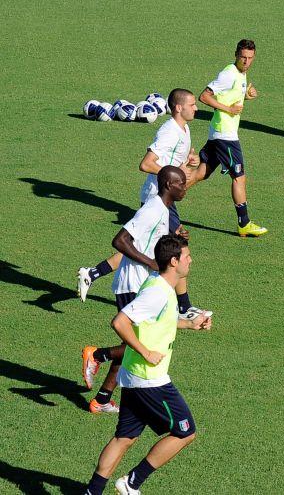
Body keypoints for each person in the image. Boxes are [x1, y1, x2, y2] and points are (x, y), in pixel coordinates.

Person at [84, 234, 212, 495]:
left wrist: (189, 323)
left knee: (124, 438)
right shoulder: (156, 291)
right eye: (187, 257)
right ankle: (132, 483)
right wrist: (145, 351)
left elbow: (158, 320)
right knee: (185, 431)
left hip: (134, 376)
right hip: (149, 380)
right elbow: (120, 322)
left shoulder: (160, 284)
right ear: (174, 261)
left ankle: (91, 493)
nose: (191, 260)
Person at [77, 89, 211, 321]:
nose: (196, 107)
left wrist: (190, 160)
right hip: (157, 198)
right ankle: (184, 307)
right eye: (192, 104)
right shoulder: (169, 131)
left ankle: (92, 273)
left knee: (147, 246)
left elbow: (180, 157)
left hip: (166, 196)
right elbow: (147, 164)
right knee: (178, 250)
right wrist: (172, 176)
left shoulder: (184, 129)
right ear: (178, 108)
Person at [81, 166, 187, 414]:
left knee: (133, 344)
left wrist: (175, 236)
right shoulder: (152, 209)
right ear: (169, 186)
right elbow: (120, 240)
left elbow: (149, 240)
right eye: (181, 183)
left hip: (143, 282)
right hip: (133, 282)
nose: (185, 187)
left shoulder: (163, 209)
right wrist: (150, 262)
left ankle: (103, 399)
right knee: (135, 344)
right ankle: (97, 355)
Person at [190, 39, 268, 237]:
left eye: (250, 58)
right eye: (243, 57)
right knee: (239, 178)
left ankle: (163, 199)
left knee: (201, 173)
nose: (246, 61)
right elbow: (204, 96)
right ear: (235, 54)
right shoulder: (228, 74)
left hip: (219, 133)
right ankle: (244, 223)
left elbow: (230, 95)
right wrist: (230, 109)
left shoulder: (241, 74)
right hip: (226, 135)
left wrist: (246, 96)